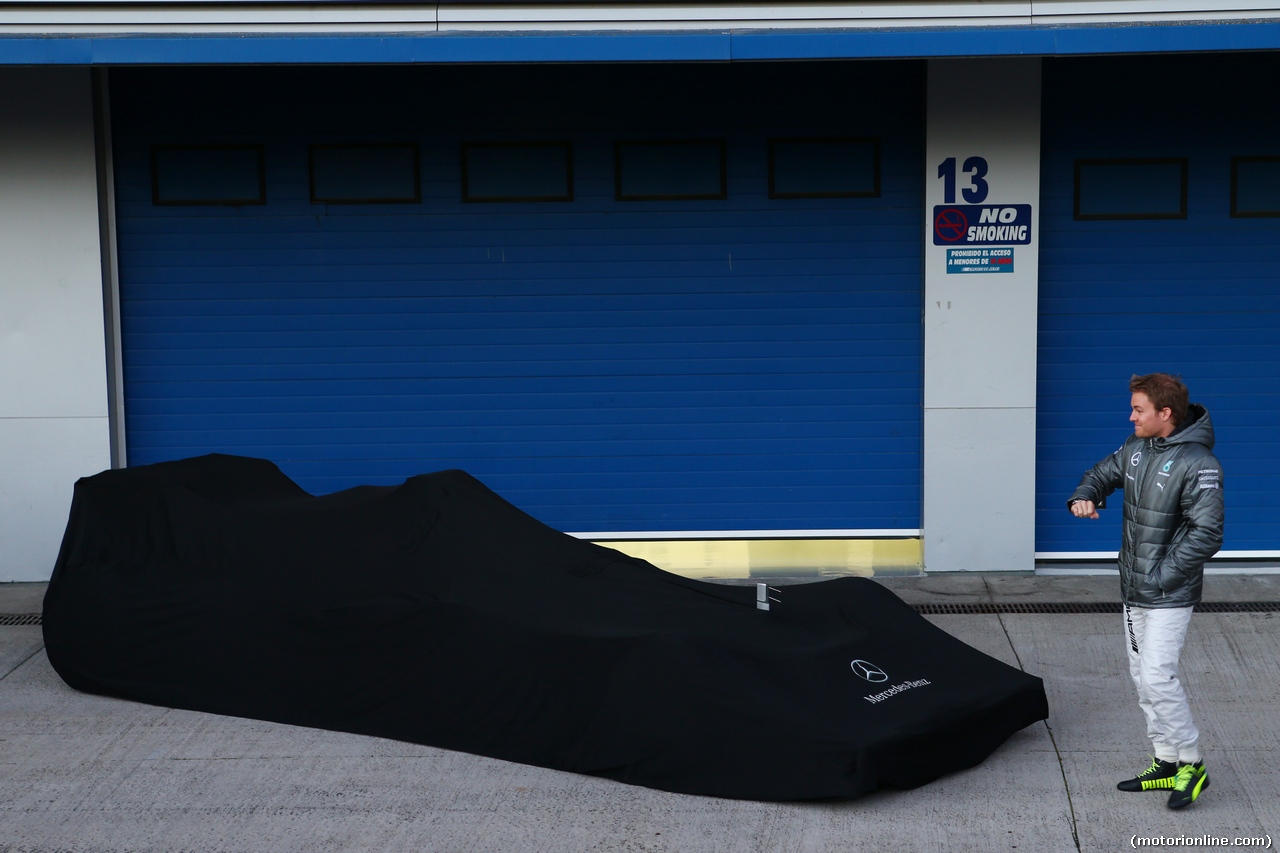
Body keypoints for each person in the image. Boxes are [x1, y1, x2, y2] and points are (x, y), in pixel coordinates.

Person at [1067, 373, 1223, 810]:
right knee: (1141, 679)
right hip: (1134, 589)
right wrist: (1085, 496)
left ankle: (1192, 762)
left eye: (1139, 409)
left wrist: (1159, 577)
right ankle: (1167, 761)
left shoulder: (1199, 464)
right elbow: (1100, 473)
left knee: (1158, 676)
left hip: (1168, 592)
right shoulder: (1135, 449)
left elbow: (1207, 533)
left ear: (1165, 414)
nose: (1131, 416)